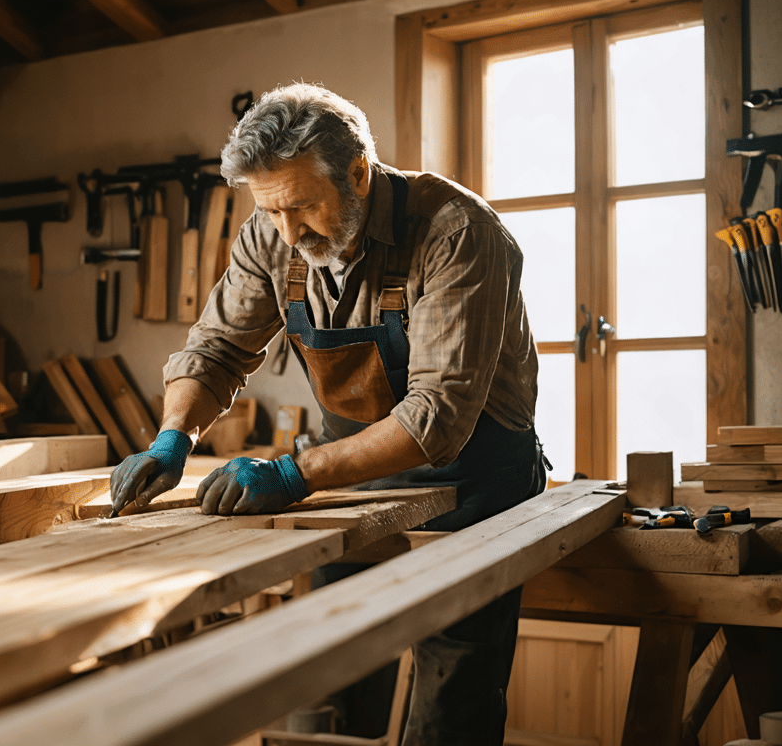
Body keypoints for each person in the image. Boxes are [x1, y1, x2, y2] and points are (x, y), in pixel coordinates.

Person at [108, 83, 545, 744]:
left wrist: (292, 475)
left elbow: (438, 418)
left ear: (359, 174)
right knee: (327, 686)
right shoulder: (272, 233)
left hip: (473, 484)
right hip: (349, 482)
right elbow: (217, 349)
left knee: (450, 707)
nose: (287, 231)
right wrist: (173, 437)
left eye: (302, 205)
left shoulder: (456, 230)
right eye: (271, 210)